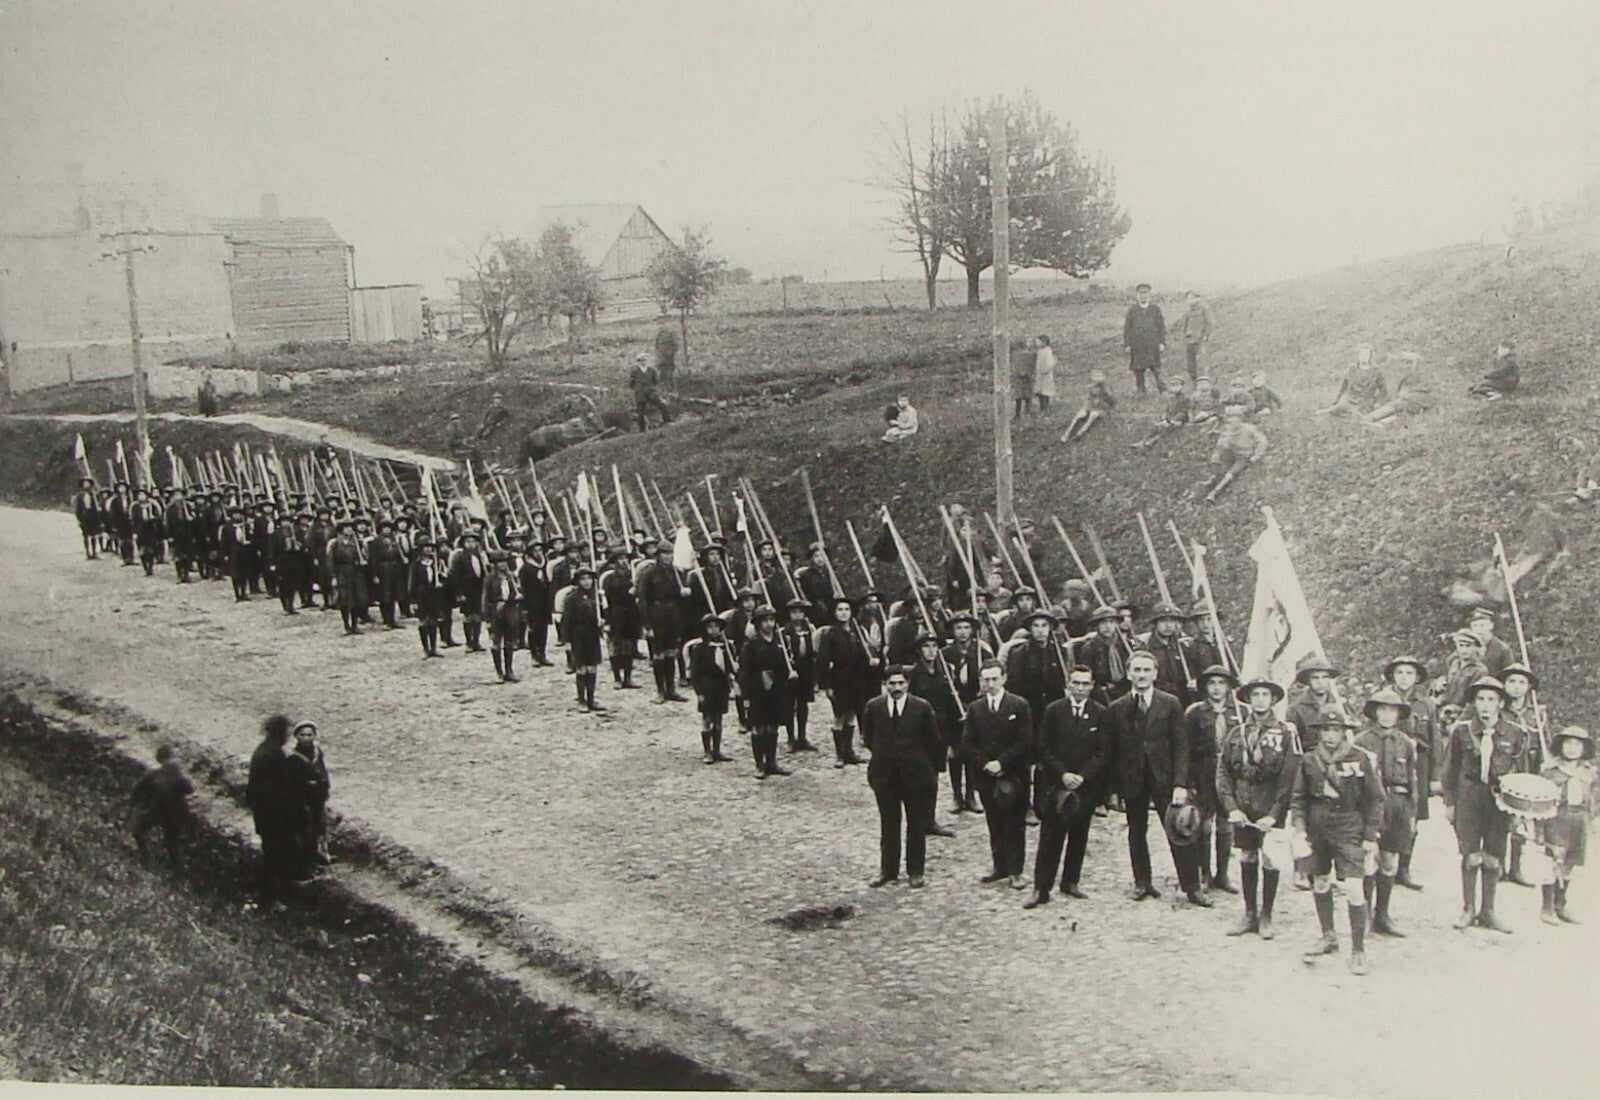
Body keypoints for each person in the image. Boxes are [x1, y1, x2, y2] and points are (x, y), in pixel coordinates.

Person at [1107, 650, 1207, 905]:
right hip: (1133, 778)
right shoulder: (1117, 708)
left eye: (1146, 670)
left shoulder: (1170, 703)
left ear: (1155, 674)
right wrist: (1115, 788)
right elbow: (1112, 751)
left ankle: (1192, 887)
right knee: (1136, 831)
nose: (1141, 675)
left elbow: (1181, 746)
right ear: (1129, 674)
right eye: (1137, 670)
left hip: (1165, 779)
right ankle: (1142, 882)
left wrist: (1180, 783)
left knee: (1179, 830)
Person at [1292, 705, 1383, 975]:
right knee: (1320, 881)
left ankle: (1358, 950)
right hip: (1317, 827)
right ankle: (1328, 935)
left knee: (1354, 887)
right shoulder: (1309, 760)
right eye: (1325, 730)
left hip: (1349, 826)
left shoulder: (1359, 758)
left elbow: (1375, 798)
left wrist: (1370, 835)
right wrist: (1300, 830)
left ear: (1344, 732)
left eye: (1336, 730)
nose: (1330, 735)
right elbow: (1299, 799)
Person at [1440, 676, 1528, 933]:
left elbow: (1523, 773)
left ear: (1501, 703)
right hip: (1469, 798)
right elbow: (1450, 769)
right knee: (1470, 856)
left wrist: (1520, 810)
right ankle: (1468, 908)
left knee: (1492, 857)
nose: (1485, 705)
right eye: (1480, 699)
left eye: (1491, 699)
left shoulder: (1515, 733)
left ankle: (1488, 911)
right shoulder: (1461, 731)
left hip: (1499, 801)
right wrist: (1450, 803)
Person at [1218, 677, 1297, 939]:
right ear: (1248, 700)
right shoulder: (1236, 733)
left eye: (1265, 694)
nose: (1260, 700)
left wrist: (1274, 815)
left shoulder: (1285, 734)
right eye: (1255, 695)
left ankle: (1267, 915)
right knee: (1247, 856)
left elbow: (1289, 778)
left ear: (1273, 700)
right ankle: (1249, 913)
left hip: (1271, 805)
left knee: (1270, 858)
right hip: (1244, 805)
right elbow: (1224, 772)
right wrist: (1232, 808)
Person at [1025, 665, 1109, 908]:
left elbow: (1103, 751)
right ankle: (1041, 888)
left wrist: (1083, 776)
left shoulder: (1100, 713)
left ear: (1092, 686)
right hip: (1056, 784)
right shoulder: (1053, 710)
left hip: (1085, 785)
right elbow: (1043, 747)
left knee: (1079, 834)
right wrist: (1063, 774)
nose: (1080, 688)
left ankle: (1071, 881)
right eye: (1076, 683)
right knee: (1050, 836)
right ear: (1068, 685)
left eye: (1085, 684)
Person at [862, 666, 942, 888]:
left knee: (916, 825)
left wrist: (923, 766)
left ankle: (915, 871)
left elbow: (932, 741)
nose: (896, 688)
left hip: (915, 776)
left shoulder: (921, 707)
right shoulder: (874, 707)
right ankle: (888, 870)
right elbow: (868, 738)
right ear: (884, 685)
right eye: (892, 683)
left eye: (901, 683)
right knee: (889, 825)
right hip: (885, 775)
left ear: (908, 684)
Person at [960, 661, 1033, 889]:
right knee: (994, 821)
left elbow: (1025, 741)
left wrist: (1002, 762)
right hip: (986, 776)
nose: (990, 684)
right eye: (986, 679)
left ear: (1004, 678)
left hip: (1014, 774)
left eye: (994, 679)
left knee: (1015, 823)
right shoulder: (976, 708)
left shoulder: (1019, 705)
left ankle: (1016, 870)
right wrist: (985, 764)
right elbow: (968, 742)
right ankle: (999, 866)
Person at [1355, 688, 1419, 937]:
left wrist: (1411, 813)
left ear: (1399, 714)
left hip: (1397, 803)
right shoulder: (1361, 742)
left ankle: (1383, 915)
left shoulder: (1405, 743)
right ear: (1374, 712)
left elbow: (1412, 780)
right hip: (1371, 805)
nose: (1387, 715)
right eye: (1382, 709)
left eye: (1392, 710)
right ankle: (1365, 915)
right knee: (1368, 860)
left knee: (1389, 861)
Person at [1185, 665, 1241, 894]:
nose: (1217, 688)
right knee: (1204, 826)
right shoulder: (1195, 713)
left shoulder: (1239, 712)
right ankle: (1204, 873)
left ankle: (1223, 875)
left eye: (1221, 683)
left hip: (1230, 777)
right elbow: (1186, 750)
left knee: (1226, 826)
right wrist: (1188, 782)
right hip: (1203, 776)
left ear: (1229, 687)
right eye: (1212, 683)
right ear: (1205, 687)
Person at [1382, 655, 1436, 889]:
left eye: (1409, 673)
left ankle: (1403, 868)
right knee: (1384, 811)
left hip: (1418, 763)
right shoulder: (1383, 699)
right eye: (1400, 672)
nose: (1404, 677)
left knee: (1412, 816)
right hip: (1389, 760)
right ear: (1392, 676)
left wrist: (1435, 776)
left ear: (1417, 677)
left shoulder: (1425, 704)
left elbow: (1434, 739)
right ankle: (1384, 865)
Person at [1538, 726, 1594, 925]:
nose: (1572, 748)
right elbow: (1540, 799)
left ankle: (1560, 905)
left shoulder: (1589, 773)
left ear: (1584, 748)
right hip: (1556, 819)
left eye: (1577, 744)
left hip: (1578, 820)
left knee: (1569, 863)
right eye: (1567, 743)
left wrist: (1591, 819)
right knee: (1552, 863)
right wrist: (1539, 829)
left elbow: (1593, 798)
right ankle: (1547, 908)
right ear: (1560, 746)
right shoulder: (1550, 771)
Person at [246, 714, 300, 905]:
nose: (289, 736)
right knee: (278, 856)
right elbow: (277, 790)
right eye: (287, 732)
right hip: (274, 817)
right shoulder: (272, 756)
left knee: (273, 855)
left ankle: (270, 897)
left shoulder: (266, 752)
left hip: (267, 816)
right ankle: (272, 898)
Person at [738, 605, 794, 779]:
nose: (769, 624)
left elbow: (784, 666)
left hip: (776, 689)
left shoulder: (780, 643)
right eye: (765, 621)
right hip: (758, 689)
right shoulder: (751, 645)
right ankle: (759, 764)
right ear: (758, 624)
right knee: (759, 726)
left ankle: (771, 762)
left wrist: (790, 671)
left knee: (773, 725)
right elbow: (745, 672)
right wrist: (746, 695)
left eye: (772, 620)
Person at [817, 596, 873, 767]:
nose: (844, 613)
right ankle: (839, 755)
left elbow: (863, 654)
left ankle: (849, 752)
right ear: (834, 613)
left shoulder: (857, 632)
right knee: (839, 716)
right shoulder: (830, 634)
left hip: (856, 679)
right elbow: (823, 661)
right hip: (839, 679)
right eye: (840, 610)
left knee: (851, 715)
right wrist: (826, 685)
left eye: (847, 609)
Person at [128, 744, 194, 873]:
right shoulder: (170, 775)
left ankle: (147, 858)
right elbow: (189, 789)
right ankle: (174, 868)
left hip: (161, 812)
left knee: (139, 831)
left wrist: (135, 804)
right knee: (171, 841)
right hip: (173, 813)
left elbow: (137, 790)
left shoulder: (154, 775)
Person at [687, 613, 737, 764]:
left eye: (716, 627)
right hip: (707, 687)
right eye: (710, 627)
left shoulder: (726, 648)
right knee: (707, 719)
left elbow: (729, 667)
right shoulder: (700, 649)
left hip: (721, 687)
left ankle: (717, 750)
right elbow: (694, 673)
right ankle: (707, 751)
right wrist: (699, 692)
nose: (714, 630)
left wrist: (734, 666)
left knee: (718, 719)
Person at [286, 721, 331, 877]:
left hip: (317, 796)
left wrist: (324, 787)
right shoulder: (293, 757)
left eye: (309, 735)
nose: (306, 738)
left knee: (319, 826)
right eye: (302, 735)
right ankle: (304, 864)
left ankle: (316, 853)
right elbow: (292, 780)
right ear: (296, 737)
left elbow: (323, 771)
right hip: (302, 798)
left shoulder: (317, 752)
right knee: (304, 829)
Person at [560, 567, 608, 712]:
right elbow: (566, 621)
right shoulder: (571, 598)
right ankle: (581, 700)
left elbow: (601, 614)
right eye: (583, 579)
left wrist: (601, 622)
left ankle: (591, 699)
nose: (587, 582)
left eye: (589, 579)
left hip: (592, 634)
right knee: (581, 668)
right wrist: (566, 640)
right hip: (578, 634)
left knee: (592, 666)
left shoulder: (596, 597)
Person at [1199, 404, 1268, 503]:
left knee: (1231, 473)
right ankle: (1212, 480)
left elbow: (1262, 441)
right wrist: (1216, 455)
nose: (1233, 421)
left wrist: (1256, 455)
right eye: (1230, 419)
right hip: (1230, 453)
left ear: (1240, 419)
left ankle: (1214, 492)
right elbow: (1220, 445)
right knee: (1221, 466)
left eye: (1236, 418)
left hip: (1243, 456)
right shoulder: (1227, 430)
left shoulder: (1249, 429)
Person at [1316, 343, 1388, 417]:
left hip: (1367, 402)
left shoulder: (1376, 371)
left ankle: (1354, 416)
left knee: (1359, 415)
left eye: (1366, 354)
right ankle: (1329, 411)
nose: (1364, 357)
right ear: (1358, 355)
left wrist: (1378, 402)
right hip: (1352, 400)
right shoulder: (1352, 369)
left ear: (1370, 356)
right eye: (1361, 354)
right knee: (1337, 409)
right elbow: (1343, 386)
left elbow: (1383, 390)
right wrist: (1336, 400)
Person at [483, 550, 523, 683]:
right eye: (499, 562)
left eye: (504, 562)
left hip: (510, 610)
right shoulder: (490, 578)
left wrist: (517, 596)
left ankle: (509, 670)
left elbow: (517, 592)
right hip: (496, 611)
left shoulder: (510, 577)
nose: (502, 565)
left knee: (510, 642)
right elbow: (485, 598)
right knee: (496, 642)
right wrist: (487, 617)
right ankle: (499, 672)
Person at [1364, 352, 1435, 425]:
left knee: (1395, 406)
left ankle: (1371, 418)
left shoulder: (1422, 376)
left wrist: (1406, 396)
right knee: (1398, 412)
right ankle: (1378, 423)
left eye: (1410, 362)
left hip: (1417, 402)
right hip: (1408, 403)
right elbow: (1401, 391)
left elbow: (1425, 390)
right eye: (1406, 362)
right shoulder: (1408, 376)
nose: (1407, 365)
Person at [1122, 283, 1166, 395]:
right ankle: (1141, 391)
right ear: (1137, 295)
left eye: (1145, 293)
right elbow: (1127, 328)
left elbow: (1161, 327)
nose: (1143, 296)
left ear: (1149, 295)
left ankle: (1163, 390)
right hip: (1138, 345)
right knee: (1138, 369)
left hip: (1152, 344)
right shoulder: (1132, 310)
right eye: (1141, 294)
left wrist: (1162, 342)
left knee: (1156, 368)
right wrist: (1127, 344)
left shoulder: (1155, 309)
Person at [1129, 376, 1191, 450]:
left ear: (1182, 386)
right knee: (1156, 426)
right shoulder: (1172, 398)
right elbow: (1168, 410)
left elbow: (1183, 412)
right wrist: (1163, 418)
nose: (1174, 387)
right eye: (1172, 385)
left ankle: (1152, 441)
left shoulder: (1185, 398)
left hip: (1179, 420)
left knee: (1168, 428)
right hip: (1170, 418)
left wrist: (1172, 420)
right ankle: (1143, 441)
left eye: (1176, 385)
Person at [1060, 369, 1116, 444]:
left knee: (1093, 415)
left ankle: (1080, 433)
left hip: (1100, 409)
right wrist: (1088, 407)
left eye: (1098, 382)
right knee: (1079, 415)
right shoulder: (1090, 388)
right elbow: (1088, 400)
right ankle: (1067, 433)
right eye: (1094, 381)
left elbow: (1111, 402)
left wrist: (1102, 405)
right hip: (1091, 407)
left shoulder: (1106, 391)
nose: (1095, 383)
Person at [1177, 291, 1215, 382]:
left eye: (1192, 298)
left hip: (1200, 340)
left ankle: (1204, 383)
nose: (1189, 300)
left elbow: (1211, 323)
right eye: (1188, 298)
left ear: (1197, 298)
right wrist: (1184, 335)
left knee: (1202, 363)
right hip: (1190, 340)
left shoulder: (1204, 309)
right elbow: (1185, 326)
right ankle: (1193, 383)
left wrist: (1205, 335)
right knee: (1190, 365)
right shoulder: (1188, 311)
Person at [629, 352, 673, 431]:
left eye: (644, 360)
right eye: (640, 360)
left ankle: (667, 420)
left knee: (661, 405)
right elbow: (631, 383)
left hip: (650, 392)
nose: (643, 362)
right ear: (638, 362)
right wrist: (638, 389)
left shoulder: (651, 370)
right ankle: (642, 429)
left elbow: (655, 381)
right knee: (641, 412)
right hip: (640, 393)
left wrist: (653, 389)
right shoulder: (634, 371)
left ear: (647, 361)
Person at [1012, 338, 1037, 420]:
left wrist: (1029, 374)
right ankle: (1018, 414)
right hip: (1019, 378)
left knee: (1027, 395)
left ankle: (1027, 411)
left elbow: (1033, 365)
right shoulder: (1016, 354)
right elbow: (1015, 365)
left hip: (1027, 377)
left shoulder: (1032, 354)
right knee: (1019, 396)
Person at [1032, 334, 1057, 412]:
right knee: (1040, 392)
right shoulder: (1040, 351)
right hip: (1040, 375)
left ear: (1044, 342)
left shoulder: (1047, 351)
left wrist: (1045, 371)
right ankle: (1042, 408)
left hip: (1045, 375)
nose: (1037, 343)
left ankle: (1045, 409)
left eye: (1038, 342)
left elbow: (1049, 363)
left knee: (1045, 393)